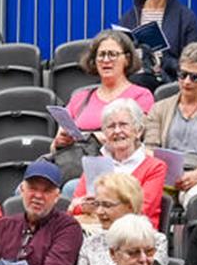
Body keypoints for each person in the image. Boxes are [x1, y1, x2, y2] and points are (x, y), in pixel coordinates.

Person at [140, 42, 197, 194]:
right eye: (182, 75)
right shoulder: (159, 108)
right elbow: (150, 148)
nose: (186, 82)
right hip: (163, 174)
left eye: (194, 77)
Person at [66, 97, 167, 228]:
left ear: (138, 131)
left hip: (134, 237)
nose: (117, 131)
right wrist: (107, 209)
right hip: (94, 231)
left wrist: (95, 209)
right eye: (111, 126)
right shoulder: (96, 164)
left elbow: (141, 211)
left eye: (123, 125)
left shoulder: (155, 167)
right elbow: (75, 207)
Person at [53, 29, 155, 156]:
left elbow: (134, 137)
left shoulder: (141, 96)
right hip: (75, 164)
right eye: (101, 55)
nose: (106, 60)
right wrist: (61, 142)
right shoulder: (79, 97)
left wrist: (87, 137)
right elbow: (54, 146)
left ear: (127, 59)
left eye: (112, 54)